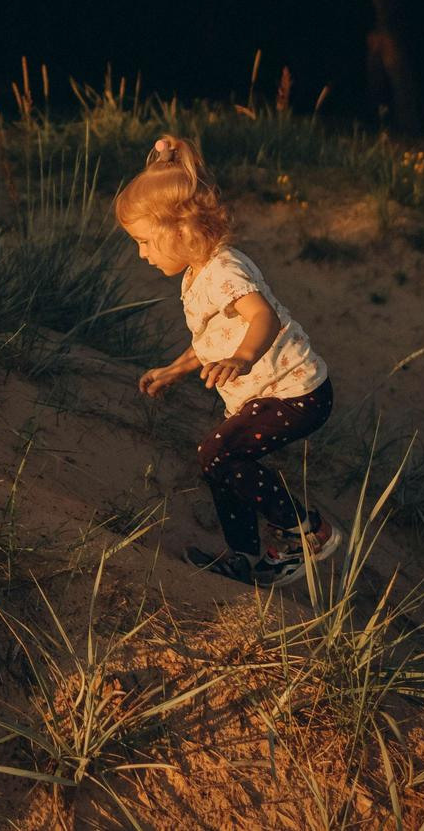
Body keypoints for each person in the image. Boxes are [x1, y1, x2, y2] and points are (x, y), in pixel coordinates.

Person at [119, 134, 342, 585]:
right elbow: (210, 338)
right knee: (219, 465)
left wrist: (243, 358)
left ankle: (308, 531)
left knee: (216, 454)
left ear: (180, 230)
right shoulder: (198, 272)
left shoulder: (223, 269)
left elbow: (262, 317)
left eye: (145, 242)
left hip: (295, 393)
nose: (142, 254)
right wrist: (174, 370)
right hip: (268, 394)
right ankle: (244, 556)